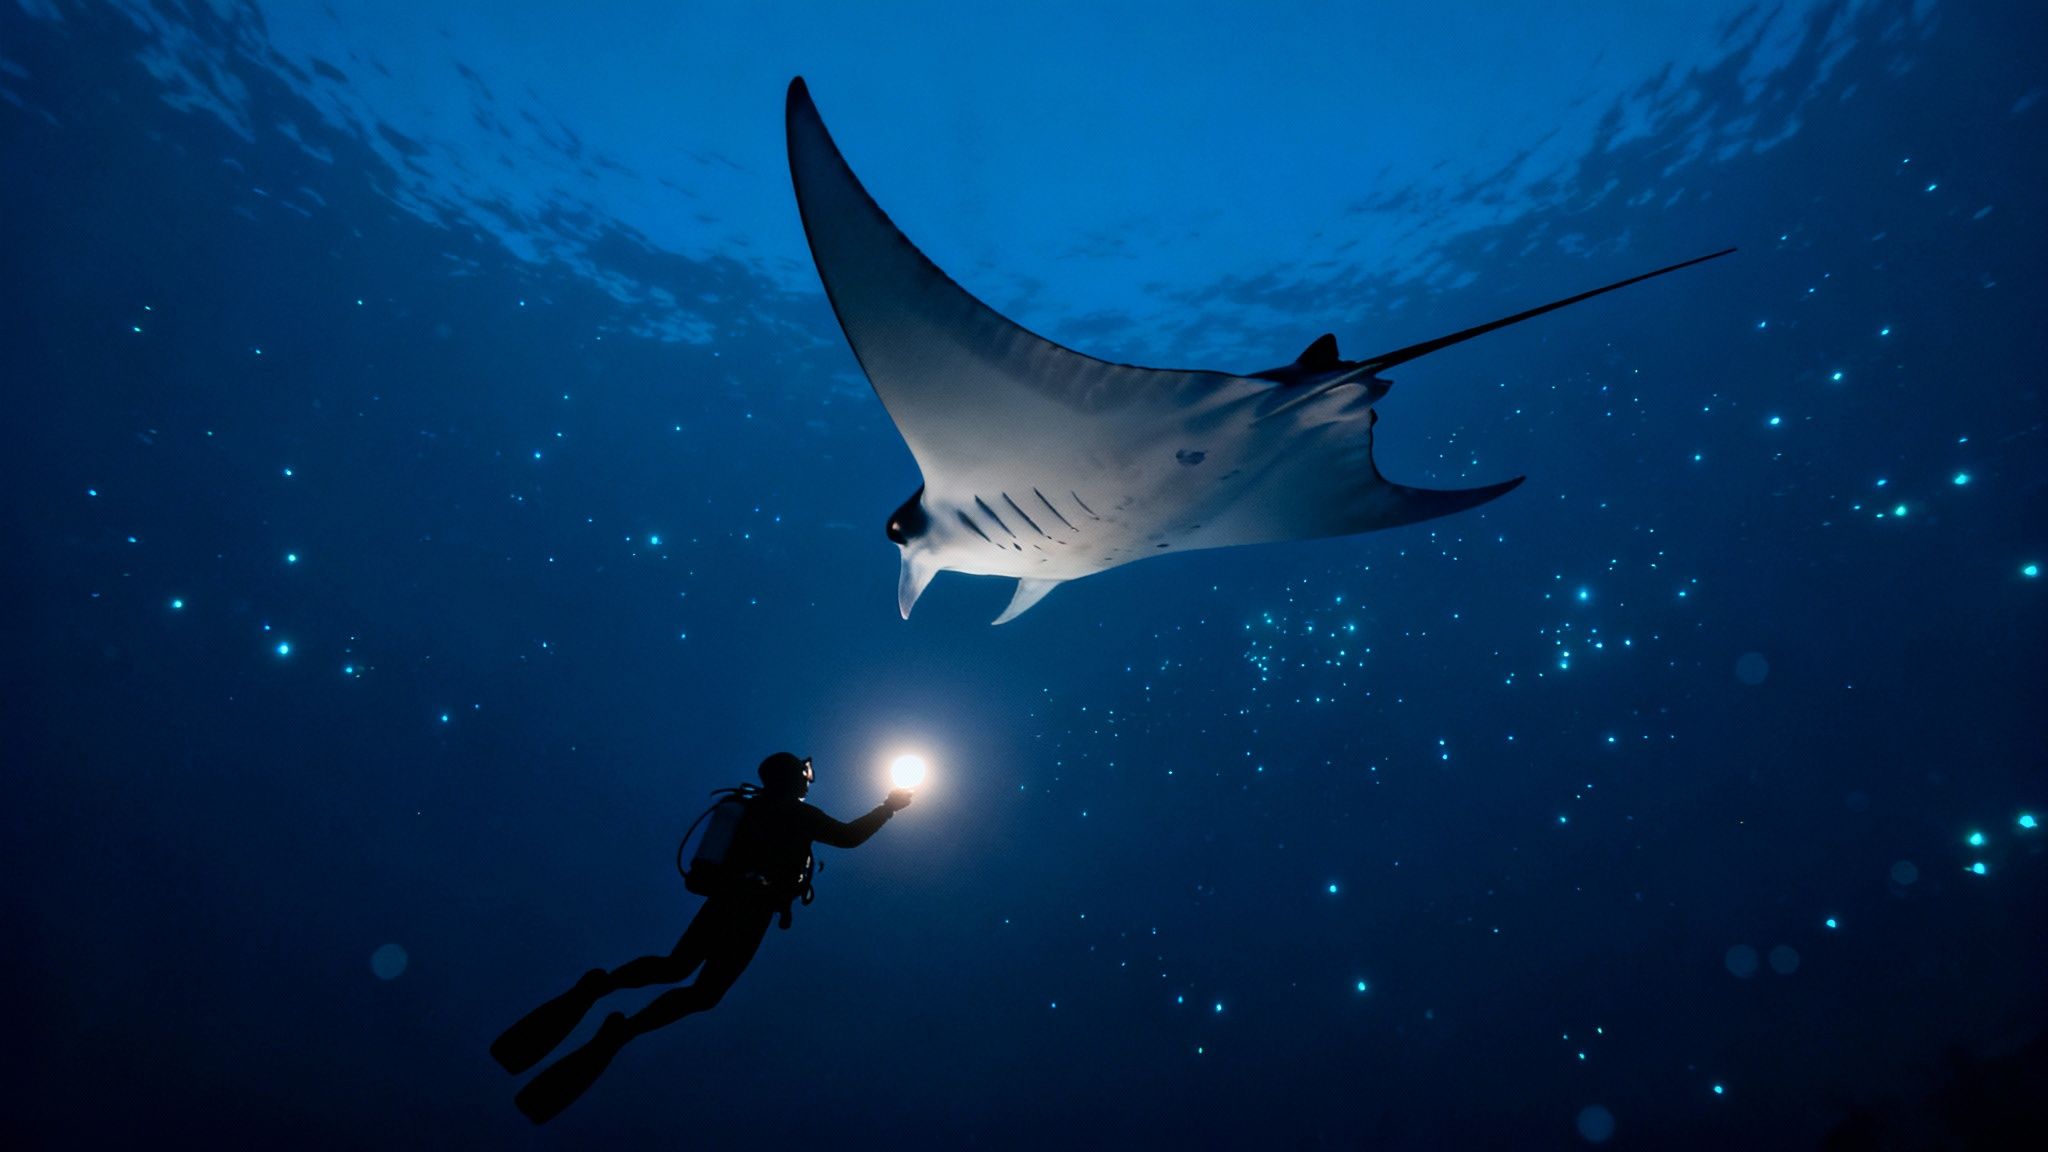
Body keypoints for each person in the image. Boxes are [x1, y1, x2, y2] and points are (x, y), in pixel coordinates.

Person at [494, 752, 913, 1124]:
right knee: (703, 991)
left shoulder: (750, 808)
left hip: (725, 902)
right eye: (805, 772)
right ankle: (623, 1027)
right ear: (790, 777)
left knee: (674, 967)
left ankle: (601, 989)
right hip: (749, 911)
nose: (809, 778)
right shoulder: (797, 814)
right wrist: (888, 807)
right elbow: (848, 837)